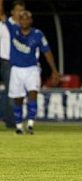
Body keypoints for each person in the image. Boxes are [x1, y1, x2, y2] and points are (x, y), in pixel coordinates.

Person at [0, 6, 59, 134]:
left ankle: (31, 123)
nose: (25, 21)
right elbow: (1, 15)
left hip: (32, 69)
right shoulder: (13, 29)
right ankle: (19, 125)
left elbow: (47, 52)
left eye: (27, 19)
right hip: (16, 69)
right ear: (19, 21)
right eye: (22, 19)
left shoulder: (37, 34)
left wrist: (54, 70)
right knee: (18, 99)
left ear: (31, 21)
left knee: (33, 94)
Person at [0, 0, 25, 128]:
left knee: (13, 92)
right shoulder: (5, 23)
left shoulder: (23, 26)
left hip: (19, 63)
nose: (20, 13)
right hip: (6, 61)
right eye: (18, 10)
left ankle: (8, 118)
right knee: (12, 92)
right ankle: (11, 121)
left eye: (22, 10)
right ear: (12, 12)